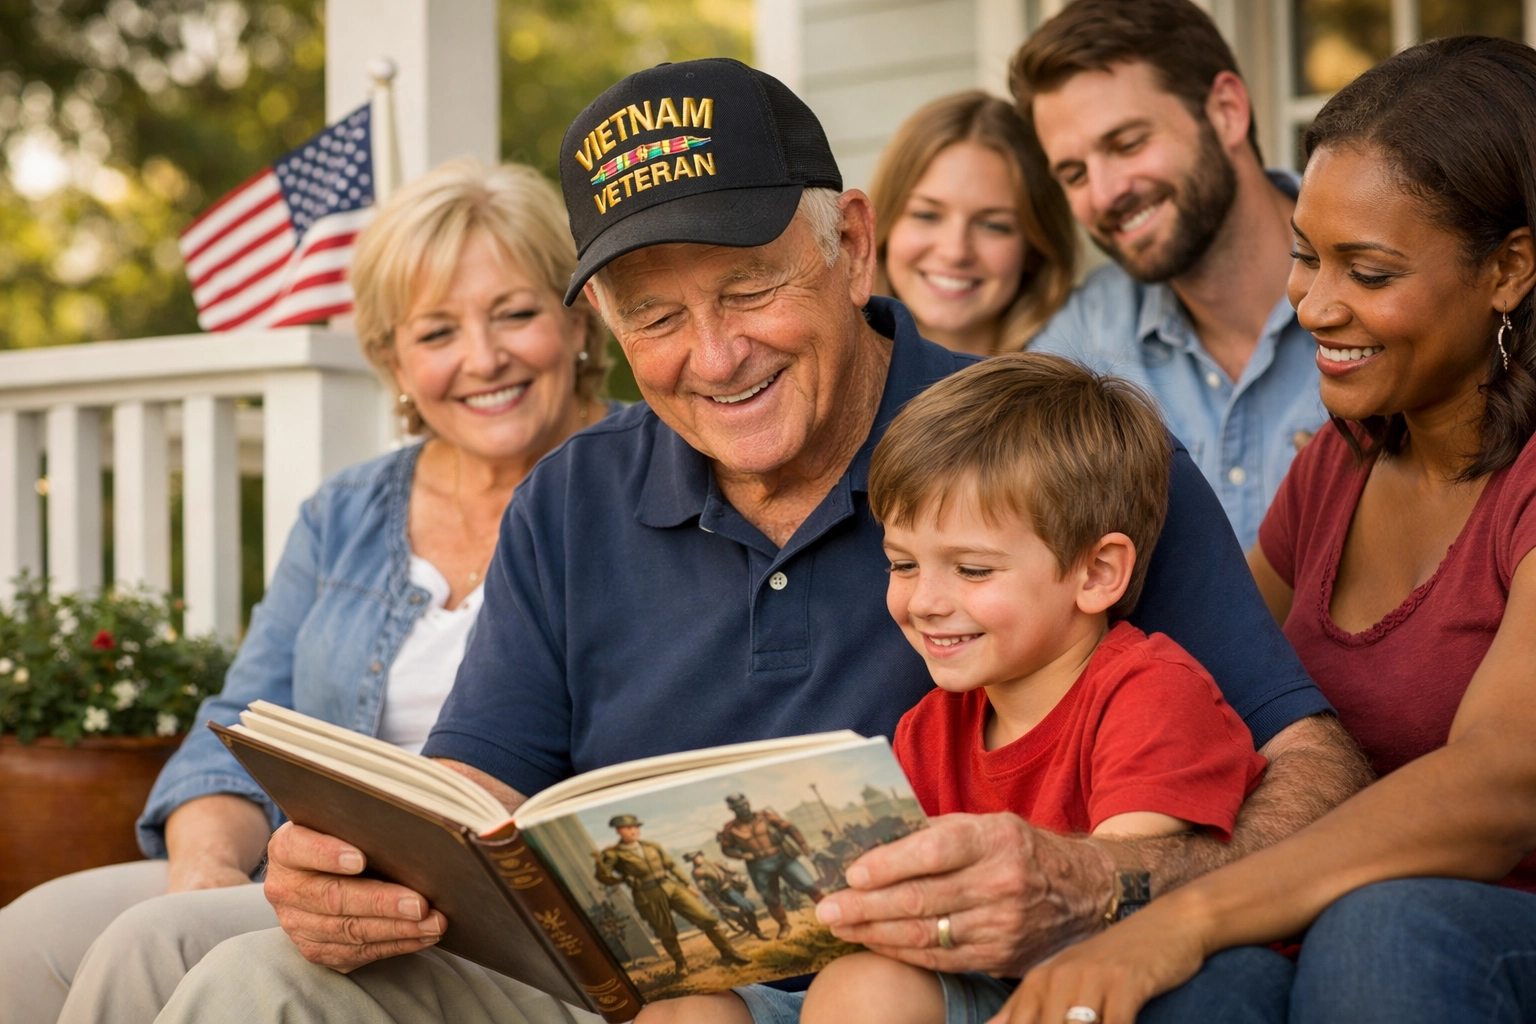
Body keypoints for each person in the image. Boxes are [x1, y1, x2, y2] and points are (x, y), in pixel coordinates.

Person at [152, 57, 1366, 1024]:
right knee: (249, 985)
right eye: (656, 316)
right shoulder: (572, 498)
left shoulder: (1057, 450)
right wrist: (353, 870)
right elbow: (476, 793)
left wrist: (1102, 882)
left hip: (945, 991)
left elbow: (1317, 774)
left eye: (747, 290)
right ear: (603, 323)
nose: (714, 356)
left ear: (848, 243)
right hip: (645, 1004)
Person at [993, 36, 1536, 1024]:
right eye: (1305, 254)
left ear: (1509, 268)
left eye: (1367, 272)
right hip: (1324, 923)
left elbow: (1500, 787)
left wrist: (1186, 915)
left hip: (1474, 938)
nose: (1316, 304)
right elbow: (1204, 681)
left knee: (1383, 932)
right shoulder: (1342, 462)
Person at [0, 157, 612, 1024]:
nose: (484, 358)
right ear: (392, 358)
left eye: (515, 314)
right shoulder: (348, 512)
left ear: (580, 319)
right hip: (301, 870)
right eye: (436, 333)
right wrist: (205, 871)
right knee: (26, 942)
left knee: (152, 949)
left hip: (476, 908)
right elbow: (240, 722)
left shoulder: (634, 486)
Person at [800, 354, 1266, 1024]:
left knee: (868, 992)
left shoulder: (1150, 695)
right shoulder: (926, 728)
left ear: (1097, 573)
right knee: (692, 1014)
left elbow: (1122, 903)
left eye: (970, 568)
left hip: (1112, 981)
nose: (924, 601)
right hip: (972, 979)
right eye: (902, 564)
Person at [1018, 0, 1327, 548]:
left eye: (1128, 143)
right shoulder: (1081, 346)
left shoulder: (1385, 280)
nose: (1106, 193)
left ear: (1227, 110)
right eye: (1074, 173)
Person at [868, 91, 1076, 356]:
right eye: (926, 215)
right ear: (879, 226)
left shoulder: (1073, 384)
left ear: (1034, 249)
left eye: (993, 225)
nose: (955, 252)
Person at [595, 815, 749, 975]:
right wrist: (619, 876)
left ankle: (728, 953)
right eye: (629, 828)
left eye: (636, 827)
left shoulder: (651, 846)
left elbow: (671, 865)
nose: (634, 831)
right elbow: (603, 877)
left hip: (670, 886)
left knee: (706, 918)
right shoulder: (614, 854)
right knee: (665, 931)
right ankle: (680, 964)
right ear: (620, 831)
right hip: (647, 894)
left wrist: (686, 883)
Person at [717, 794, 824, 938]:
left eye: (743, 805)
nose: (742, 809)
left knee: (810, 885)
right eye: (737, 807)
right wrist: (741, 855)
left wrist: (803, 845)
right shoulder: (730, 829)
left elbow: (790, 828)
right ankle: (784, 925)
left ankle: (828, 912)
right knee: (770, 898)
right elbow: (726, 849)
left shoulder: (766, 817)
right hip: (758, 865)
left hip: (782, 857)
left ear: (748, 803)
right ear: (731, 809)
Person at [685, 852, 766, 940]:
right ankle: (751, 929)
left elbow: (730, 871)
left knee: (747, 907)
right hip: (720, 894)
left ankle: (755, 929)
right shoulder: (697, 872)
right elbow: (703, 886)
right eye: (694, 859)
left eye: (698, 857)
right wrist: (707, 886)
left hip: (730, 889)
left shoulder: (714, 864)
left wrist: (731, 870)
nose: (697, 859)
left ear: (701, 856)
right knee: (732, 913)